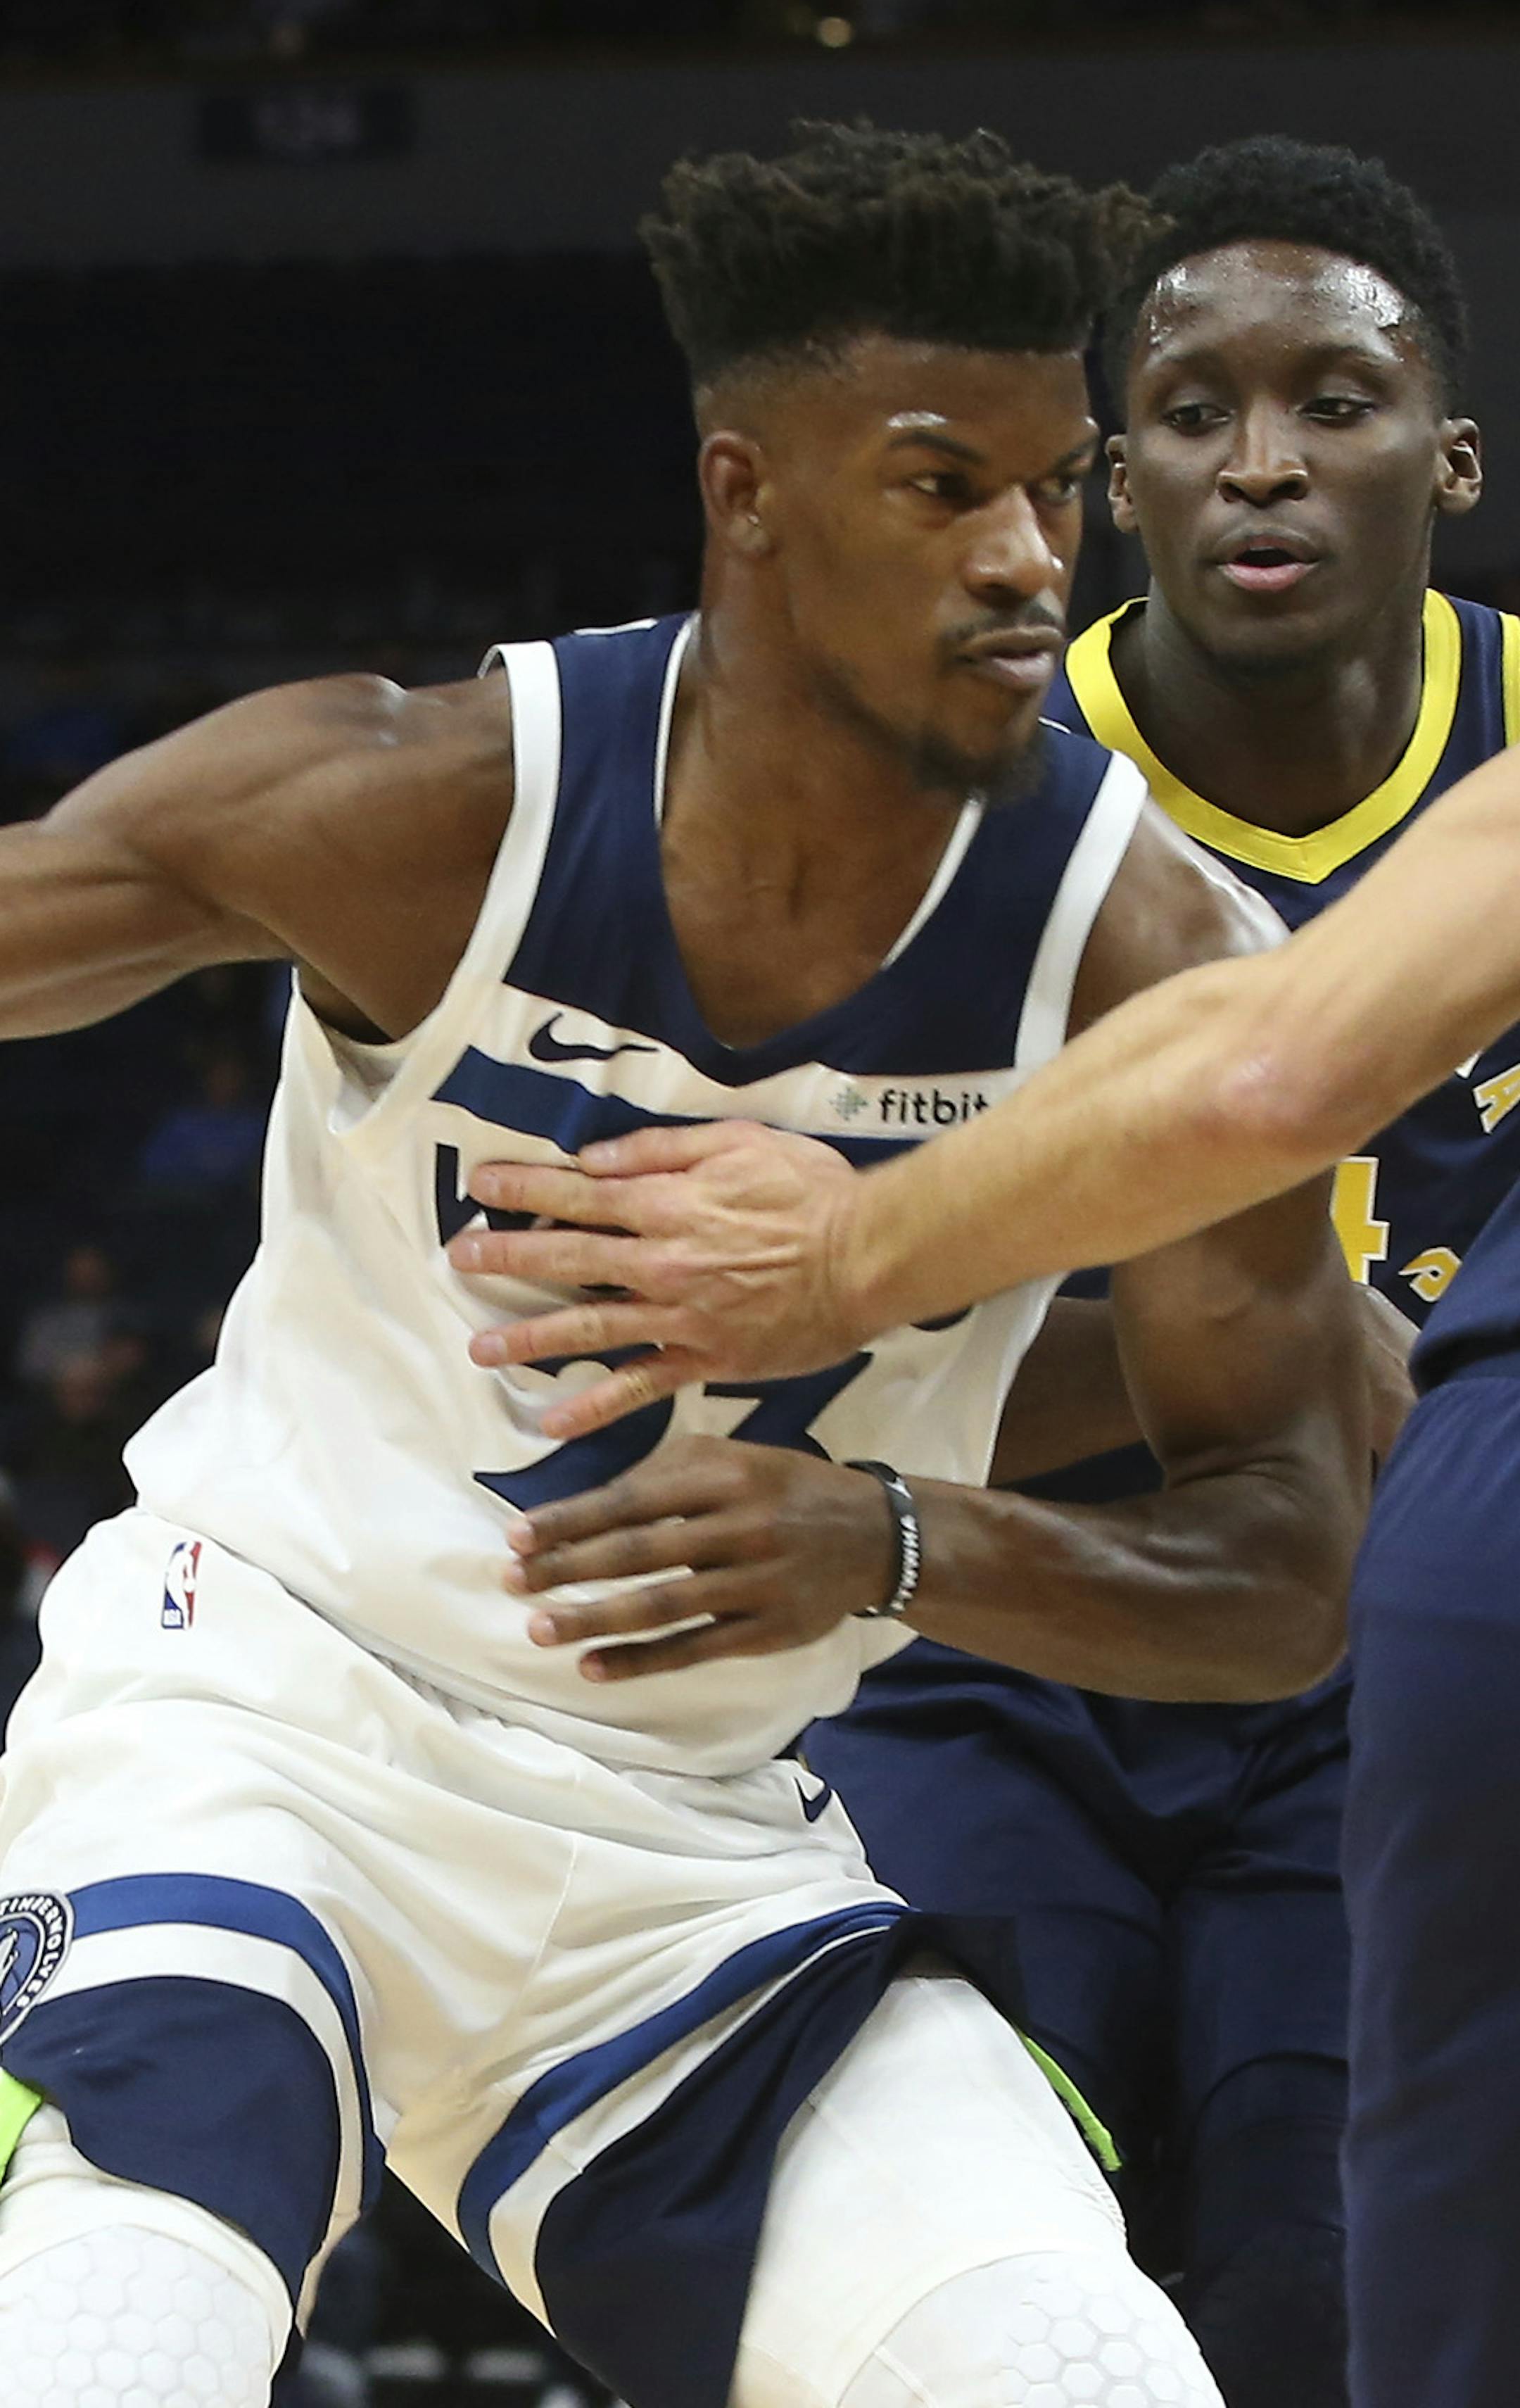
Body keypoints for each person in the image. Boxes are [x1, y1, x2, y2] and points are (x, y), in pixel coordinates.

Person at [0, 120, 1374, 2408]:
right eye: (945, 489)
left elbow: (1293, 1567)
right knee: (119, 2327)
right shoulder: (436, 805)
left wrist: (891, 1535)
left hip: (690, 1854)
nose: (1032, 558)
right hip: (259, 1723)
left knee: (1080, 2371)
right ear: (749, 495)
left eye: (1057, 487)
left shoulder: (1150, 964)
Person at [459, 132, 1506, 2407]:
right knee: (942, 2267)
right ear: (1111, 474)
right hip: (979, 1625)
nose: (1263, 466)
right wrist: (1306, 1361)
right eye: (1192, 410)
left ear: (1453, 448)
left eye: (1332, 402)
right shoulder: (950, 779)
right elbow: (775, 1341)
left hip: (1386, 1671)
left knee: (1322, 2287)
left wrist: (1082, 1322)